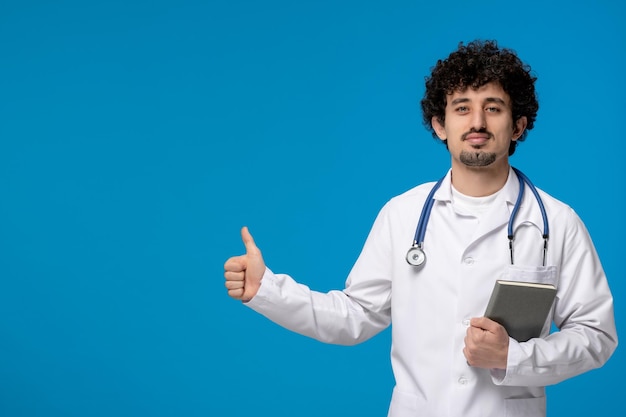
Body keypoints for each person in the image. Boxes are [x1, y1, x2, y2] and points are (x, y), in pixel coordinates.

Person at [223, 40, 618, 417]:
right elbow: (354, 316)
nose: (477, 122)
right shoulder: (403, 214)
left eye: (493, 108)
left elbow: (596, 335)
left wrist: (513, 357)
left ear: (517, 126)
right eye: (462, 108)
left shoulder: (558, 222)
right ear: (440, 125)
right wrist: (267, 290)